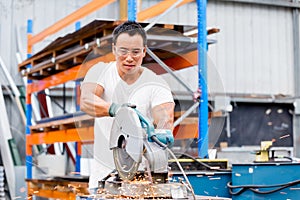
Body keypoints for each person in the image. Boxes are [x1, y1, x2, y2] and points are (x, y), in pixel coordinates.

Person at [80, 21, 175, 192]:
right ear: (114, 49)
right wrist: (116, 110)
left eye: (136, 52)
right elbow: (86, 100)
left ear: (144, 51)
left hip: (143, 182)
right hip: (103, 179)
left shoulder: (156, 83)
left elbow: (165, 116)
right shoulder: (99, 71)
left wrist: (161, 130)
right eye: (123, 51)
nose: (129, 57)